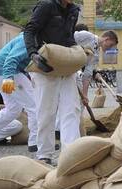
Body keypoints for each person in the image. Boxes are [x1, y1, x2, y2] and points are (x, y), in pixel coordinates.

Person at [24, 0, 81, 165]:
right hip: (46, 65)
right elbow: (29, 31)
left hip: (66, 64)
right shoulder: (46, 6)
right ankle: (44, 154)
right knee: (46, 111)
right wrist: (32, 53)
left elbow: (68, 37)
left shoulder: (74, 10)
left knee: (72, 108)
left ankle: (72, 152)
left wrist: (79, 52)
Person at [0, 33, 37, 149]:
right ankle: (36, 141)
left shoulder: (30, 35)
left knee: (13, 109)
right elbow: (11, 59)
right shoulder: (31, 38)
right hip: (7, 71)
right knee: (34, 105)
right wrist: (8, 78)